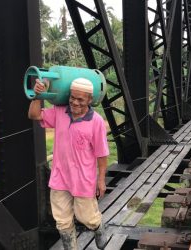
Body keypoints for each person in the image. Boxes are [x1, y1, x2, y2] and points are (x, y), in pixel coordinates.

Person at [28, 78, 109, 250]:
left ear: (89, 100)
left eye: (80, 99)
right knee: (62, 221)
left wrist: (101, 180)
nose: (75, 102)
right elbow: (34, 115)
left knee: (87, 217)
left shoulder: (96, 121)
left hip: (83, 179)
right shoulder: (60, 111)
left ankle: (98, 226)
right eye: (72, 97)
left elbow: (101, 155)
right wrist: (37, 95)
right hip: (60, 176)